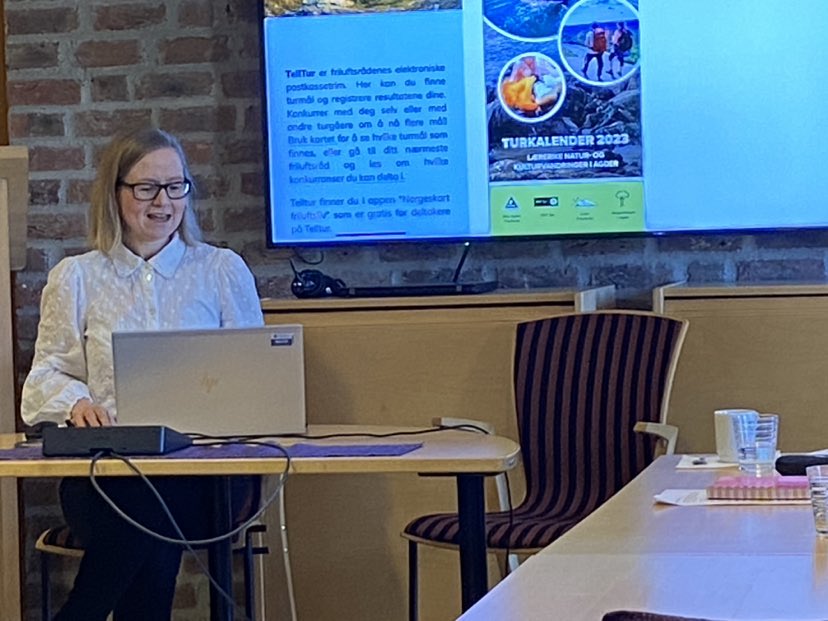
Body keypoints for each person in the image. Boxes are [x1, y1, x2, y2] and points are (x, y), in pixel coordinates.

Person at [21, 127, 264, 620]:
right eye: (147, 187)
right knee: (138, 505)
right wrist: (77, 403)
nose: (163, 202)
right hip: (107, 473)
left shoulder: (220, 270)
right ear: (115, 193)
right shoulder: (77, 277)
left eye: (176, 186)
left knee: (148, 507)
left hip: (205, 477)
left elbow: (255, 374)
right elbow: (44, 377)